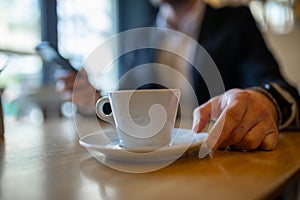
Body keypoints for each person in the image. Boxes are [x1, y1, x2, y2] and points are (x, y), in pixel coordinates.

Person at [57, 0, 300, 151]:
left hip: (219, 164)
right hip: (150, 168)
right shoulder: (139, 36)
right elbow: (130, 109)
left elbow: (280, 89)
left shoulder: (235, 22)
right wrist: (94, 101)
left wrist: (263, 100)